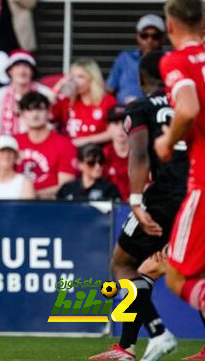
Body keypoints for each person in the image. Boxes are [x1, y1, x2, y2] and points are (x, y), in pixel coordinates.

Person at [90, 50, 188, 361]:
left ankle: (158, 333)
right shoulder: (191, 107)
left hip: (163, 197)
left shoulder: (141, 107)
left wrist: (135, 201)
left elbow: (140, 154)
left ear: (141, 78)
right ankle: (127, 347)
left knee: (122, 265)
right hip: (195, 196)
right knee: (150, 271)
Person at [155, 0, 205, 330]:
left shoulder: (177, 60)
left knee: (175, 275)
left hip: (203, 181)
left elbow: (187, 108)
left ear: (170, 26)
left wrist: (167, 141)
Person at [15, 91, 77, 199]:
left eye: (40, 109)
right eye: (29, 110)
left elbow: (66, 186)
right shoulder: (13, 142)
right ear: (22, 114)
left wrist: (33, 196)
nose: (35, 115)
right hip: (14, 204)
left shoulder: (64, 144)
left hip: (51, 206)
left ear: (49, 112)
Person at [0, 50, 54, 135]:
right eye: (17, 66)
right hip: (5, 145)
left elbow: (53, 122)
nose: (22, 71)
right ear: (10, 71)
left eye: (26, 66)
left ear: (32, 72)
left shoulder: (46, 93)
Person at [52, 58, 117, 147]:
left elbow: (114, 132)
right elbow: (46, 115)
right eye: (72, 77)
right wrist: (58, 87)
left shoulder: (107, 101)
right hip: (70, 152)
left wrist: (85, 141)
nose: (75, 81)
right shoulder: (67, 101)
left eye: (80, 77)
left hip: (96, 152)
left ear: (92, 79)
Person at [106, 14, 166, 105]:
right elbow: (109, 89)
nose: (149, 40)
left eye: (155, 36)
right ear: (137, 37)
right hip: (125, 112)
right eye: (144, 36)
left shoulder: (169, 60)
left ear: (162, 39)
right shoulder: (125, 59)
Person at [56, 144, 121, 201]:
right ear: (80, 165)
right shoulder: (67, 189)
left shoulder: (110, 189)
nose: (97, 166)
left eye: (101, 162)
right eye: (91, 163)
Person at [103, 106, 130, 201]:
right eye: (115, 123)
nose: (120, 128)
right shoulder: (103, 155)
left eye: (124, 122)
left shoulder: (142, 152)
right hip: (110, 207)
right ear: (108, 127)